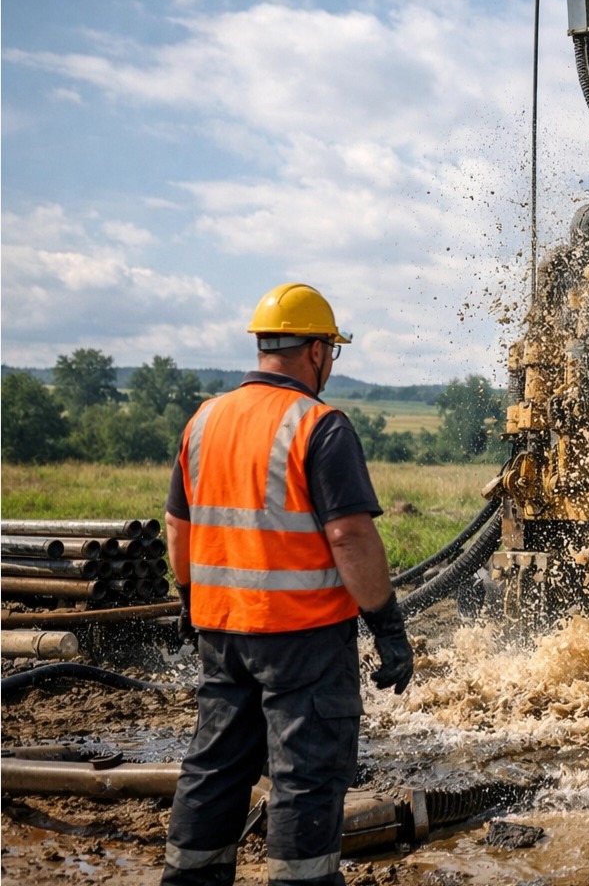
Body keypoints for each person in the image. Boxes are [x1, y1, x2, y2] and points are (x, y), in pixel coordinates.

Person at [162, 283, 414, 886]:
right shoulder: (320, 425)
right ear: (318, 351)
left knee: (215, 767)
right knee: (304, 778)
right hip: (305, 640)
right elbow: (351, 539)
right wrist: (387, 625)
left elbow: (178, 526)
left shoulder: (205, 419)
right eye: (332, 350)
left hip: (222, 633)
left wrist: (192, 599)